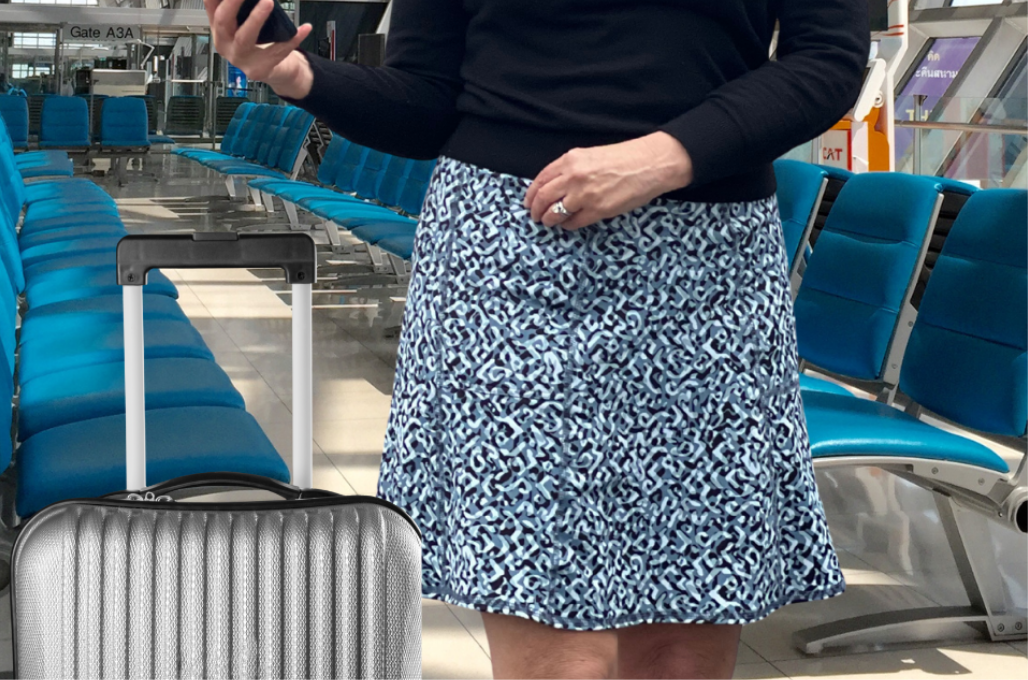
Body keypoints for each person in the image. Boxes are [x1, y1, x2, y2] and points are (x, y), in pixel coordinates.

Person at [207, 0, 870, 677]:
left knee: (683, 637)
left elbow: (828, 59)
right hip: (510, 262)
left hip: (705, 269)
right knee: (553, 642)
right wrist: (297, 75)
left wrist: (666, 156)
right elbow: (429, 100)